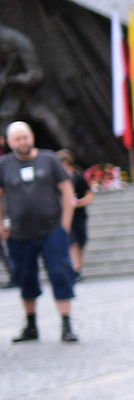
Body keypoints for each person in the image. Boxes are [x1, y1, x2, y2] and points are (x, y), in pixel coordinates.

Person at [0, 121, 79, 342]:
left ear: (32, 137)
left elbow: (66, 190)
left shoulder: (49, 159)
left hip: (52, 230)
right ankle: (31, 324)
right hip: (19, 233)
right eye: (17, 139)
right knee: (25, 277)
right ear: (9, 142)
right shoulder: (4, 164)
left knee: (60, 274)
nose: (22, 142)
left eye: (25, 137)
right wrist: (1, 225)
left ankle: (66, 324)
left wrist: (65, 223)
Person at [54, 149, 92, 281]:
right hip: (65, 215)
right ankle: (75, 269)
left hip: (79, 215)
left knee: (80, 242)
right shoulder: (55, 180)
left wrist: (78, 203)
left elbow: (89, 195)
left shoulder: (78, 177)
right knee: (72, 242)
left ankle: (78, 268)